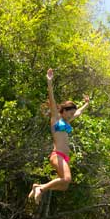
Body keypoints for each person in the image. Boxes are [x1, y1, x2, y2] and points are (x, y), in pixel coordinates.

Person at [29, 68, 89, 203]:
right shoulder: (56, 119)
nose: (72, 115)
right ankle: (41, 189)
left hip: (65, 157)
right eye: (70, 113)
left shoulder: (67, 121)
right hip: (57, 155)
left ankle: (38, 187)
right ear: (63, 111)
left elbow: (79, 112)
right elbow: (52, 99)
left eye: (73, 114)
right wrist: (49, 82)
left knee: (64, 186)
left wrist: (86, 104)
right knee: (67, 179)